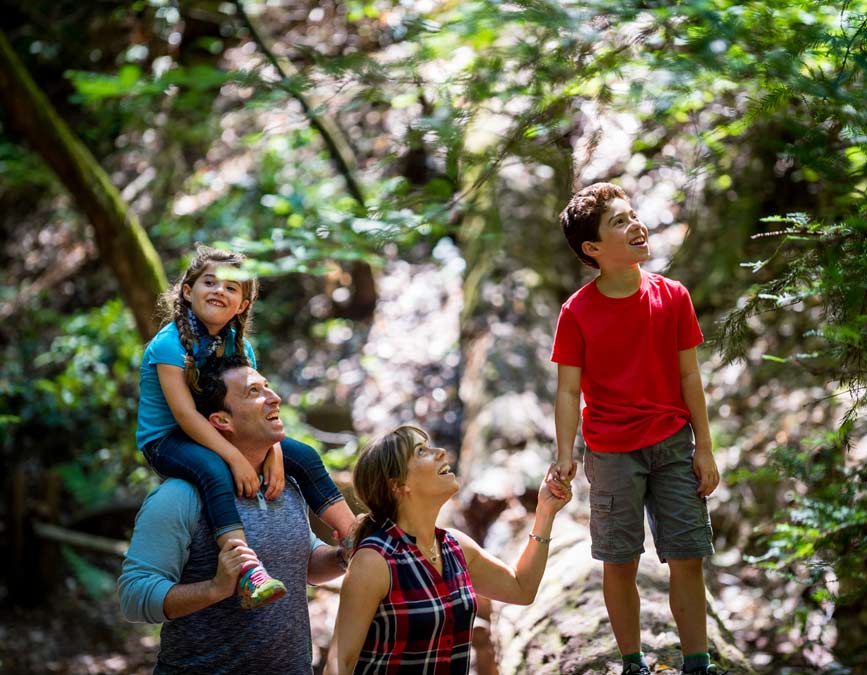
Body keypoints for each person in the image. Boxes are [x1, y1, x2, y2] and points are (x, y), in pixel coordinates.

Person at [550, 182, 725, 675]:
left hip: (673, 445)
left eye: (634, 215)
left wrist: (705, 448)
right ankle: (633, 662)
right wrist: (565, 453)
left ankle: (698, 662)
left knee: (688, 555)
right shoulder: (577, 312)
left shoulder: (672, 297)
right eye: (620, 222)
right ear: (593, 249)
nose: (636, 225)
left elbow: (690, 376)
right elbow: (567, 391)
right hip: (610, 454)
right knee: (619, 560)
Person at [136, 245, 355, 608]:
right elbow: (187, 416)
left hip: (222, 429)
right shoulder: (168, 346)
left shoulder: (240, 346)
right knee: (211, 469)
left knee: (305, 454)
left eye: (232, 287)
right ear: (188, 291)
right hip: (168, 439)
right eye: (210, 282)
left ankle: (355, 535)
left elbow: (259, 409)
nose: (220, 290)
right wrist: (235, 459)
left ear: (242, 305)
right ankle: (246, 569)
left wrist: (274, 451)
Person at [119, 355, 348, 674]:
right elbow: (133, 595)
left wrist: (342, 557)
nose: (274, 397)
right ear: (221, 421)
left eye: (267, 386)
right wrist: (216, 588)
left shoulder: (285, 484)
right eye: (255, 392)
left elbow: (303, 561)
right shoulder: (179, 497)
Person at [325, 425, 571, 675]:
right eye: (421, 451)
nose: (441, 452)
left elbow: (521, 589)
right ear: (399, 486)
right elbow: (339, 662)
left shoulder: (456, 547)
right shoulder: (374, 560)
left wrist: (545, 512)